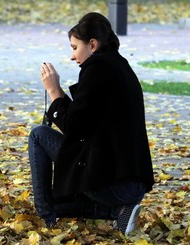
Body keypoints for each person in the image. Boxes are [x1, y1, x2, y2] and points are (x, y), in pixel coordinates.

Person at [28, 12, 154, 235]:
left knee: (38, 134)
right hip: (131, 183)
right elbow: (82, 122)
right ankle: (118, 212)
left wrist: (54, 90)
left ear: (92, 44)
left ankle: (46, 216)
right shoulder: (117, 66)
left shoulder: (97, 70)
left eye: (75, 47)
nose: (72, 56)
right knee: (68, 190)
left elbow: (74, 128)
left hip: (117, 184)